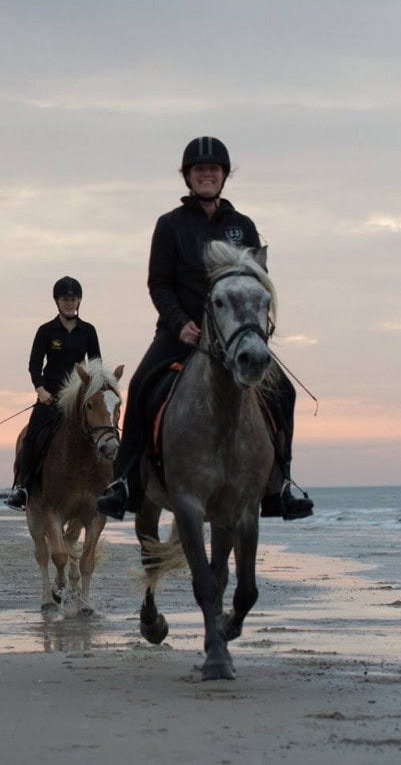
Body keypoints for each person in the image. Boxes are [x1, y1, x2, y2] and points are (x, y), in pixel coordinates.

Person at [96, 136, 312, 521]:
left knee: (286, 392)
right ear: (188, 177)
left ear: (224, 176)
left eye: (213, 170)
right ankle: (125, 482)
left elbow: (255, 281)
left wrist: (251, 327)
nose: (207, 175)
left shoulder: (242, 226)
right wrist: (180, 324)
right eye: (199, 170)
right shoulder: (170, 225)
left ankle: (281, 485)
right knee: (142, 384)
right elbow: (158, 283)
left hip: (232, 335)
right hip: (182, 333)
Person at [4, 276, 103, 511]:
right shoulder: (46, 331)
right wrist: (40, 390)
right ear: (57, 302)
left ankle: (109, 486)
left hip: (79, 399)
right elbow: (34, 364)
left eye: (73, 299)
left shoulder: (88, 331)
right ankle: (22, 487)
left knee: (104, 432)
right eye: (64, 299)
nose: (69, 303)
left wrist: (95, 392)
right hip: (50, 397)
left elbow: (96, 364)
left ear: (79, 301)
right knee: (32, 437)